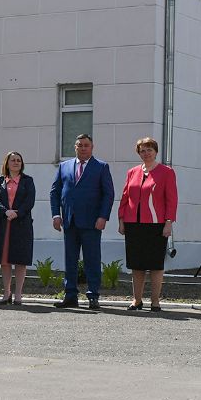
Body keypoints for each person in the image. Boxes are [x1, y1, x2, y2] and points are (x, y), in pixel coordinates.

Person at [50, 133, 115, 310]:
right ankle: (70, 295)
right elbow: (55, 192)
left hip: (92, 222)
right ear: (75, 147)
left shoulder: (101, 167)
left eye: (86, 145)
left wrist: (103, 217)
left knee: (92, 260)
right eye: (80, 145)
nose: (83, 148)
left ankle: (93, 295)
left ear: (92, 147)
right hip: (69, 221)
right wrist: (56, 215)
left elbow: (108, 195)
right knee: (70, 260)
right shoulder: (64, 166)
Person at [118, 137, 178, 312]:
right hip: (133, 225)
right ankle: (137, 300)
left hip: (156, 224)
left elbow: (172, 200)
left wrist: (169, 223)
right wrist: (121, 220)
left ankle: (155, 301)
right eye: (142, 150)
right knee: (136, 265)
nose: (146, 153)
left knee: (155, 265)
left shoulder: (166, 172)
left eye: (149, 150)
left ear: (155, 151)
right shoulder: (132, 172)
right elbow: (124, 198)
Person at [0, 151, 35, 305]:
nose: (16, 163)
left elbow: (30, 201)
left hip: (21, 224)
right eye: (13, 160)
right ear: (7, 163)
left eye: (19, 160)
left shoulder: (28, 181)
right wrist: (5, 211)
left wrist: (17, 213)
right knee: (5, 261)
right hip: (4, 224)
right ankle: (6, 292)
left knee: (20, 260)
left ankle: (18, 294)